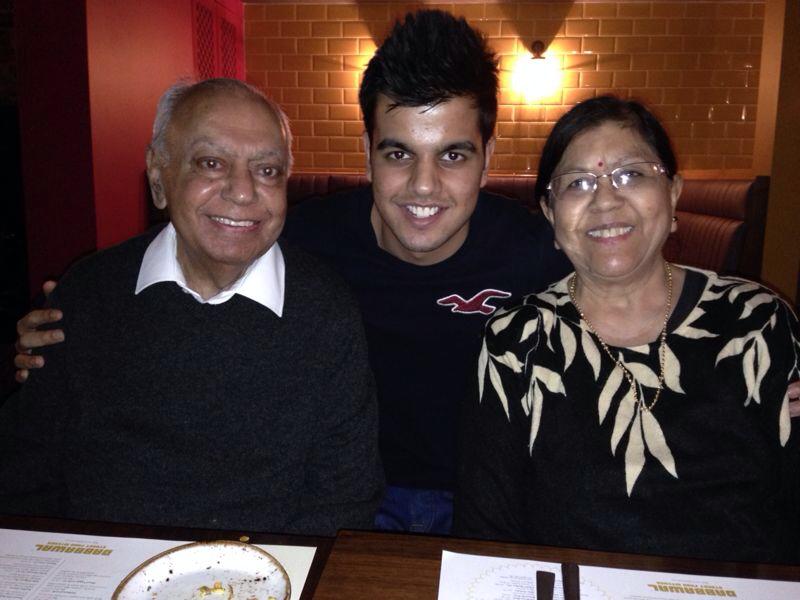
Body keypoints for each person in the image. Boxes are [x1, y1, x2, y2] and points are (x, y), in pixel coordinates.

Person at [13, 10, 800, 534]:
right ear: (366, 155)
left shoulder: (539, 253)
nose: (424, 189)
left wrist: (772, 375)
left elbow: (640, 280)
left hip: (496, 503)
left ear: (490, 158)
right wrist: (61, 329)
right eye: (398, 154)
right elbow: (183, 273)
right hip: (356, 497)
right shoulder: (297, 240)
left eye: (453, 155)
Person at [0, 78, 383, 535]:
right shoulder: (87, 293)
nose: (243, 192)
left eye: (267, 170)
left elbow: (344, 497)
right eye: (211, 163)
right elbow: (25, 468)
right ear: (159, 177)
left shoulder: (326, 312)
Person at [454, 96, 800, 563]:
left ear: (673, 193)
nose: (606, 199)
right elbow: (485, 532)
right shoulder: (517, 341)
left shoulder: (757, 321)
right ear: (552, 216)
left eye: (631, 174)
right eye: (578, 183)